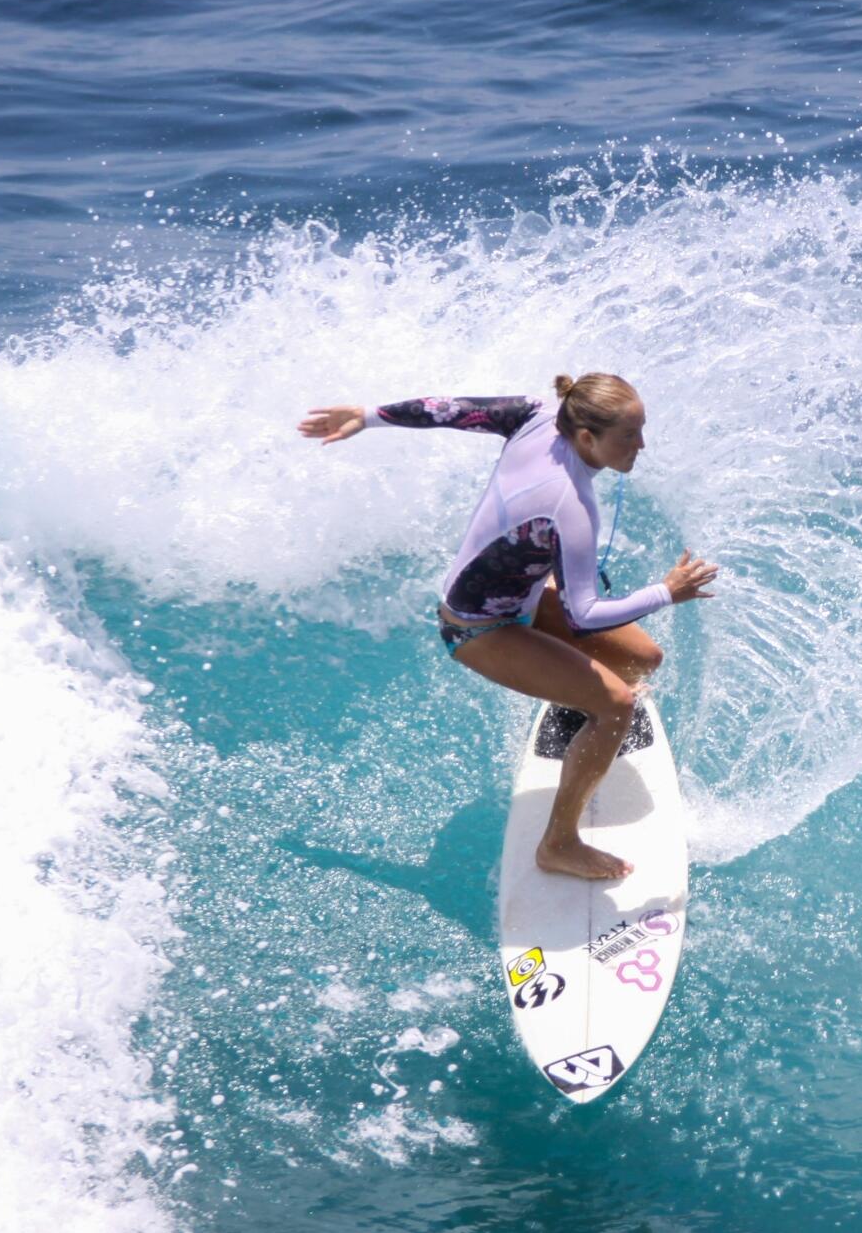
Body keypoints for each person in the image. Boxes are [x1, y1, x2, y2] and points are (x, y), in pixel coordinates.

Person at [298, 373, 718, 882]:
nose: (641, 445)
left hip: (516, 596)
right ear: (587, 438)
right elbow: (582, 616)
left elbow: (445, 409)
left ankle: (573, 702)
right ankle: (558, 844)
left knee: (640, 661)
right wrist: (666, 593)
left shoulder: (540, 412)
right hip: (477, 627)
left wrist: (367, 416)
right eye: (628, 436)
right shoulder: (572, 506)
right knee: (617, 706)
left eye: (641, 429)